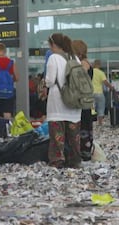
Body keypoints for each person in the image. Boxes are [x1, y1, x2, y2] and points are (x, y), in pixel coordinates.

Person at [45, 33, 82, 168]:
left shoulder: (53, 58)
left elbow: (49, 81)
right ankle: (75, 161)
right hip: (74, 103)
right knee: (74, 136)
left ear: (53, 45)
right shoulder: (75, 58)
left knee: (57, 136)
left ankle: (57, 161)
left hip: (58, 102)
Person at [72, 39, 94, 161]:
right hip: (85, 102)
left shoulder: (84, 65)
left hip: (82, 102)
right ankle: (85, 151)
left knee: (82, 126)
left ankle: (83, 152)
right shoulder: (86, 64)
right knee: (85, 126)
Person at [92, 59, 114, 125]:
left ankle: (90, 122)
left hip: (90, 93)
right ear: (99, 65)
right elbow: (105, 82)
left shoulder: (90, 71)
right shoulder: (101, 73)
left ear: (94, 64)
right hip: (99, 93)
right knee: (101, 107)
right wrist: (111, 87)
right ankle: (100, 122)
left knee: (91, 108)